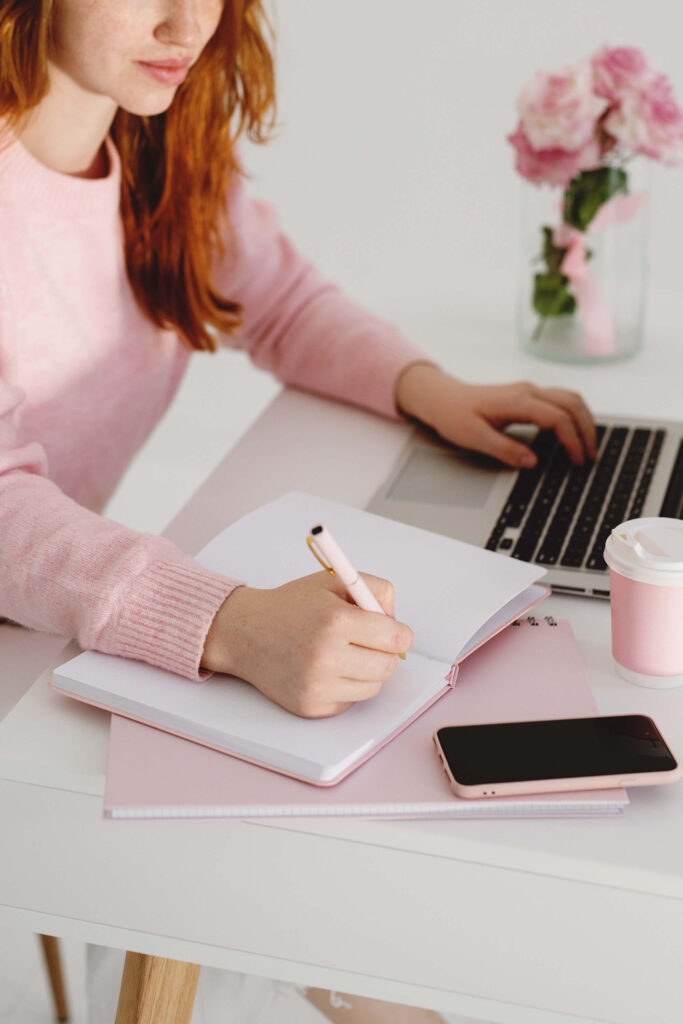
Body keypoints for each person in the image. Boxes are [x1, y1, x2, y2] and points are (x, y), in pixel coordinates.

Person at [0, 1, 596, 1021]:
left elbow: (277, 300)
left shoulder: (145, 141)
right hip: (27, 642)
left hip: (46, 618)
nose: (188, 20)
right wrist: (224, 624)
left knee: (376, 801)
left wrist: (424, 386)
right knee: (326, 871)